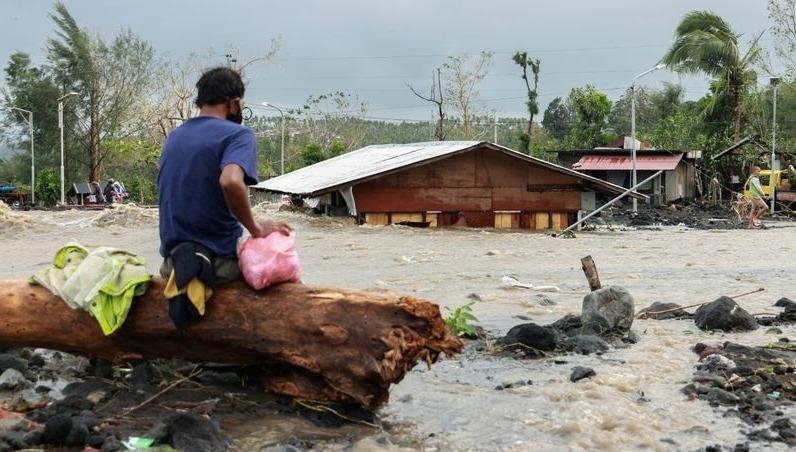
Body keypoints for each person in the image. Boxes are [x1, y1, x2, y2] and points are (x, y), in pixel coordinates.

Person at [158, 66, 291, 285]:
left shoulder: (174, 137)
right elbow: (230, 181)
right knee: (280, 270)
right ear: (234, 103)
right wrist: (256, 229)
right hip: (217, 264)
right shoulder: (238, 135)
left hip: (173, 264)